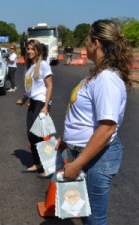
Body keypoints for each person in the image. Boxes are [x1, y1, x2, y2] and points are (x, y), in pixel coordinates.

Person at [56, 19, 133, 225]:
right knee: (87, 215)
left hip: (96, 158)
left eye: (87, 39)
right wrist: (67, 139)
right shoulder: (97, 74)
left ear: (96, 43)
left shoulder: (106, 79)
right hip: (86, 153)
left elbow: (107, 128)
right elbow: (84, 117)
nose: (85, 43)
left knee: (94, 219)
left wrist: (78, 164)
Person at [16, 39, 53, 178]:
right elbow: (31, 89)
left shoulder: (43, 65)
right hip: (34, 101)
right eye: (28, 49)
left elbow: (49, 86)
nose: (29, 51)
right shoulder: (31, 66)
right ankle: (37, 163)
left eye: (32, 49)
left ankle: (49, 166)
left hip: (41, 102)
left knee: (39, 134)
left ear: (38, 50)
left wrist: (45, 106)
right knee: (31, 134)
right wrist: (23, 99)